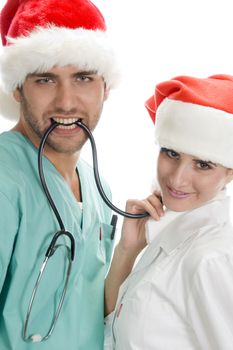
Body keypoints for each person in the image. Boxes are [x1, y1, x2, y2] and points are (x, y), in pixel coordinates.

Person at [0, 0, 120, 349]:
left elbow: (88, 308)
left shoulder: (98, 187)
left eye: (83, 78)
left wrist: (128, 249)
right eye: (45, 79)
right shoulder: (6, 181)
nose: (66, 102)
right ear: (17, 88)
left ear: (105, 88)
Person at [104, 75, 233, 349]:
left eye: (203, 164)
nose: (177, 179)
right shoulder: (172, 236)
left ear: (230, 172)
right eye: (171, 153)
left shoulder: (211, 259)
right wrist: (128, 250)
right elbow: (114, 328)